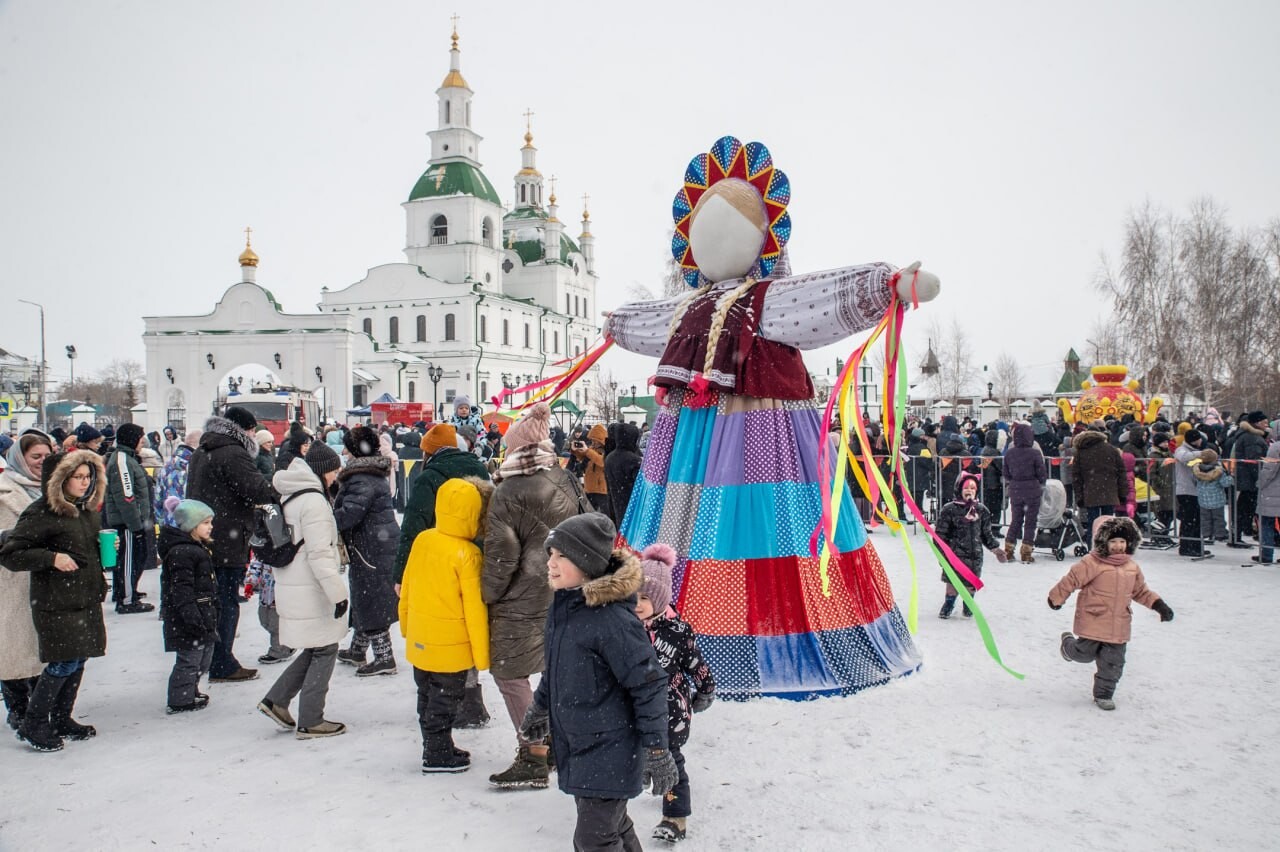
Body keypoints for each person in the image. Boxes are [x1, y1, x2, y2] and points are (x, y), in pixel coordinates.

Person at [518, 512, 676, 850]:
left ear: (588, 564)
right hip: (582, 744)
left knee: (594, 839)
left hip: (610, 747)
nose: (552, 563)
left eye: (563, 556)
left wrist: (658, 749)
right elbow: (556, 669)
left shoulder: (613, 620)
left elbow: (649, 685)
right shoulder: (564, 608)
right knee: (611, 825)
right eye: (551, 554)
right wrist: (540, 708)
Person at [484, 402, 584, 788]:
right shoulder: (565, 478)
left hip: (522, 594)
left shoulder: (509, 490)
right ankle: (558, 741)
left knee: (510, 671)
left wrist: (489, 593)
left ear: (516, 449)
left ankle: (534, 751)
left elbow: (501, 554)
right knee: (554, 667)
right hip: (566, 587)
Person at [0, 449, 109, 751]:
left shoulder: (85, 511)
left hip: (84, 597)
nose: (85, 483)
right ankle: (34, 722)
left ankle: (62, 717)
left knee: (78, 659)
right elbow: (11, 554)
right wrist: (51, 558)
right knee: (62, 663)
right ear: (60, 479)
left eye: (88, 477)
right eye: (78, 477)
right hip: (56, 601)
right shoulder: (41, 513)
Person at [256, 442, 351, 739]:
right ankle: (311, 719)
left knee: (316, 646)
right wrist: (338, 594)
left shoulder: (293, 495)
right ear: (323, 472)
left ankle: (277, 700)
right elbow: (320, 555)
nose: (336, 478)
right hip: (311, 587)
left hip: (293, 582)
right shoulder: (315, 503)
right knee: (326, 647)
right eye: (334, 471)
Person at [399, 477, 492, 773]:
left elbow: (409, 585)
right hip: (451, 647)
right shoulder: (469, 555)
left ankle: (436, 744)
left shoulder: (424, 539)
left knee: (425, 695)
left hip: (420, 638)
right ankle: (437, 753)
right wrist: (482, 655)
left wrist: (405, 626)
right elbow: (475, 611)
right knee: (446, 699)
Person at [186, 407, 278, 683]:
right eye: (251, 430)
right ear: (244, 430)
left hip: (206, 534)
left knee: (214, 599)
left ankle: (211, 656)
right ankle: (222, 661)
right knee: (226, 602)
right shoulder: (232, 452)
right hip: (227, 536)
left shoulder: (204, 450)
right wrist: (280, 487)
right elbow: (257, 489)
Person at [634, 542, 716, 843]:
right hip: (635, 706)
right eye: (633, 596)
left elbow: (696, 663)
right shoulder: (628, 627)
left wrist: (705, 690)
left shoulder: (678, 631)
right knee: (636, 751)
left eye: (644, 598)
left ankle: (675, 816)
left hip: (671, 709)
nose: (637, 604)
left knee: (669, 760)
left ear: (660, 598)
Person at [1048, 516, 1174, 711]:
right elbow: (1071, 580)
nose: (1118, 546)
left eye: (1122, 542)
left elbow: (1140, 592)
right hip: (1093, 620)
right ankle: (1067, 645)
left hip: (1118, 625)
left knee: (1113, 664)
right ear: (1103, 542)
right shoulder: (1091, 563)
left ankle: (1104, 694)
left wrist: (1159, 605)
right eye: (1113, 541)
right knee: (1083, 654)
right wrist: (1056, 598)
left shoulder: (1132, 568)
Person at [332, 425, 401, 677]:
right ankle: (358, 649)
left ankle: (384, 657)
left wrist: (325, 516)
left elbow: (350, 514)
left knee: (370, 598)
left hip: (371, 548)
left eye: (347, 448)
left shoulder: (361, 478)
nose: (343, 452)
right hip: (374, 546)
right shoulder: (370, 474)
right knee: (365, 596)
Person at [0, 430, 56, 730]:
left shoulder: (56, 488)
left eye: (47, 456)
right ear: (20, 458)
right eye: (36, 457)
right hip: (11, 580)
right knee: (14, 646)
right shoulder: (3, 489)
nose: (42, 462)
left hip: (49, 578)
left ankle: (39, 704)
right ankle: (18, 707)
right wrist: (12, 537)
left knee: (41, 645)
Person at [159, 499, 219, 714]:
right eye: (205, 523)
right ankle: (179, 699)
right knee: (189, 659)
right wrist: (191, 615)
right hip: (187, 617)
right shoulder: (182, 552)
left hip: (202, 613)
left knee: (203, 658)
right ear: (191, 526)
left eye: (210, 522)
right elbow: (181, 589)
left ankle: (190, 690)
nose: (210, 526)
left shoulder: (197, 548)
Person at [934, 472, 1004, 619]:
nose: (969, 491)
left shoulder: (981, 510)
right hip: (954, 555)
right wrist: (942, 554)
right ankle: (949, 602)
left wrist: (996, 549)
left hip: (975, 554)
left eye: (973, 488)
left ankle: (968, 603)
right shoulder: (950, 509)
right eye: (966, 487)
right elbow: (940, 535)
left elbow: (986, 534)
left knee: (971, 582)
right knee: (953, 581)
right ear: (959, 489)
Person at [103, 422, 156, 614]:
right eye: (140, 438)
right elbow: (126, 496)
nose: (142, 442)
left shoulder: (128, 458)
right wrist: (136, 525)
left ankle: (126, 591)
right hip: (126, 523)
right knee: (128, 560)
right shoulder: (122, 460)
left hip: (129, 521)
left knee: (132, 558)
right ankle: (126, 600)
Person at [1002, 422, 1047, 563]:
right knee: (1030, 521)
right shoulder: (1035, 453)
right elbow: (1042, 473)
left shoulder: (1009, 453)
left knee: (1016, 520)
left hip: (1015, 489)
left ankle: (1008, 549)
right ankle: (1026, 551)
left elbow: (1006, 474)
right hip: (1032, 489)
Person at [1072, 422, 1127, 529]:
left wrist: (1079, 496)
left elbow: (1076, 476)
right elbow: (1121, 472)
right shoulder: (1111, 449)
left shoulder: (1081, 452)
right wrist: (1122, 493)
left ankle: (1092, 544)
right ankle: (1108, 544)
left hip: (1090, 492)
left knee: (1093, 525)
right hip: (1110, 491)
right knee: (1109, 524)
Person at [1230, 411, 1269, 543]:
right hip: (1250, 480)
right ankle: (1236, 536)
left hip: (1246, 479)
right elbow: (1254, 462)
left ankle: (1236, 534)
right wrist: (1261, 478)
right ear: (1257, 423)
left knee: (1243, 508)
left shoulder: (1249, 435)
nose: (1267, 425)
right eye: (1264, 422)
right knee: (1244, 509)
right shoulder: (1253, 438)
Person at [154, 428, 201, 528]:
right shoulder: (196, 466)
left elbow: (158, 500)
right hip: (191, 527)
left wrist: (163, 523)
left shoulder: (166, 466)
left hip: (169, 526)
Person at [1174, 429, 1208, 557]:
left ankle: (1196, 545)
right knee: (1188, 519)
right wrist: (1202, 454)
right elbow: (1184, 458)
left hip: (1196, 490)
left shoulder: (1193, 451)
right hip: (1185, 490)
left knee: (1196, 520)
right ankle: (1186, 546)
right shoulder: (1181, 450)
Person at [604, 421, 642, 527]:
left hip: (615, 504)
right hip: (633, 508)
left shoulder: (610, 457)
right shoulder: (633, 459)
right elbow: (641, 485)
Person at [1192, 450, 1234, 544]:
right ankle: (1220, 534)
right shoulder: (1218, 471)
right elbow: (1225, 483)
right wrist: (1231, 478)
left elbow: (1194, 481)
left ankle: (1206, 535)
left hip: (1203, 499)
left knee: (1205, 518)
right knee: (1218, 518)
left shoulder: (1197, 470)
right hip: (1217, 499)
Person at [570, 423, 610, 516]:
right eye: (592, 440)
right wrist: (575, 451)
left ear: (601, 440)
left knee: (606, 515)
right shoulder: (592, 448)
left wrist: (588, 451)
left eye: (595, 440)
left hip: (602, 489)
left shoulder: (607, 450)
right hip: (590, 488)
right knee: (588, 515)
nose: (593, 442)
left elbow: (602, 462)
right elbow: (583, 459)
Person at [1254, 438, 1280, 564]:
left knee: (1266, 524)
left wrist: (1260, 483)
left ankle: (1266, 555)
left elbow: (1270, 470)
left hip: (1273, 491)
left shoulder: (1276, 447)